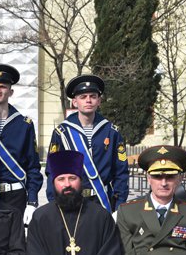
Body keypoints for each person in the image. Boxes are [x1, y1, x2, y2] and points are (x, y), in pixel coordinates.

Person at [47, 74, 128, 211]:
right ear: (74, 102)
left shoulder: (111, 131)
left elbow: (121, 171)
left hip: (102, 201)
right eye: (83, 97)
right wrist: (52, 202)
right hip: (71, 200)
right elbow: (52, 171)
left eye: (93, 96)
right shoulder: (62, 132)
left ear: (99, 101)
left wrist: (119, 205)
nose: (88, 101)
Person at [0, 64, 42, 218]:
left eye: (3, 86)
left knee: (15, 242)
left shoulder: (24, 125)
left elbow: (33, 167)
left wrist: (32, 201)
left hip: (15, 197)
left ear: (10, 91)